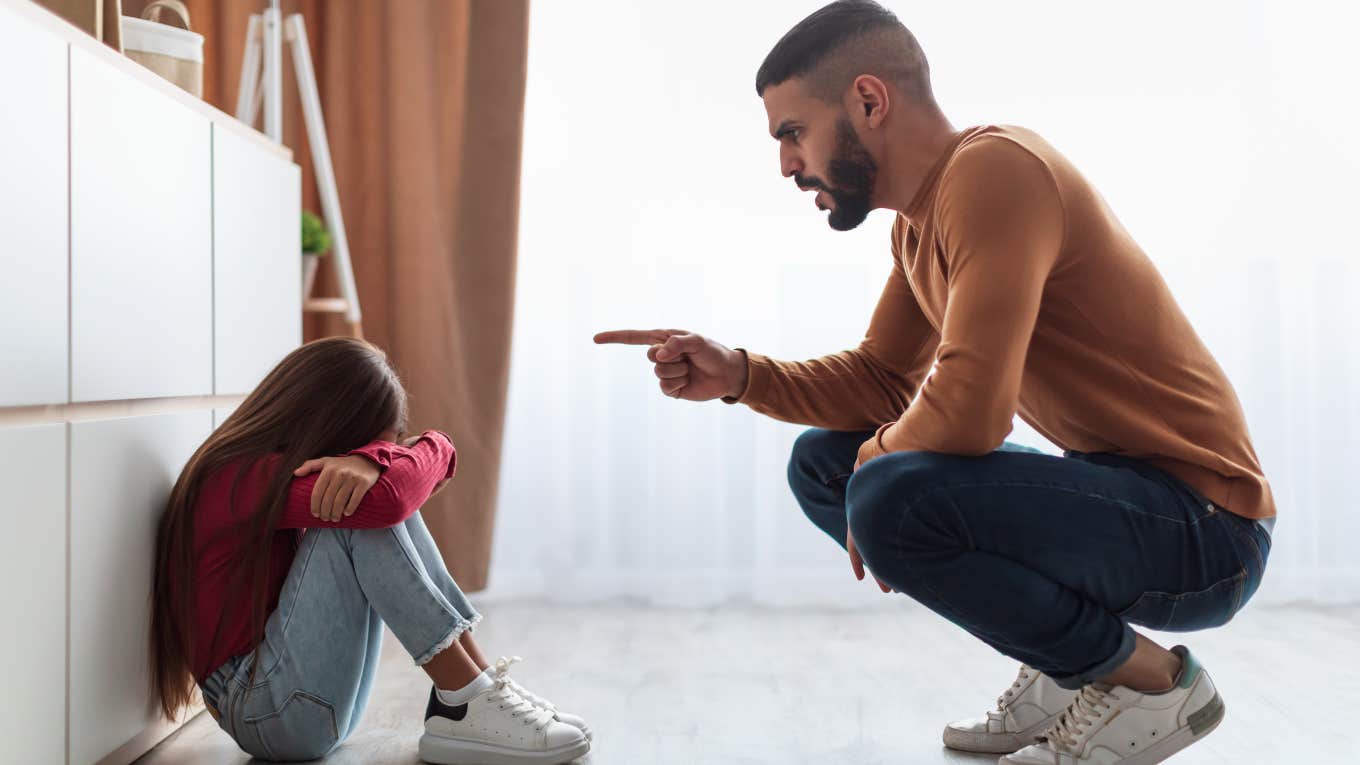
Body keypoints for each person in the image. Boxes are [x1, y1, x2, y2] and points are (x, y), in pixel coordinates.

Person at [595, 2, 1274, 763]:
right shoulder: (918, 224)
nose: (787, 164)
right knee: (824, 464)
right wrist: (741, 373)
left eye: (793, 133)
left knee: (882, 491)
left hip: (1208, 529)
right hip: (1119, 499)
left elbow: (974, 413)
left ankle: (1156, 683)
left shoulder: (996, 173)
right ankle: (1072, 662)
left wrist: (875, 470)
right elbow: (882, 379)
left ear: (868, 101)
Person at [150, 337, 591, 764]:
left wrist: (374, 458)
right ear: (329, 431)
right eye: (369, 447)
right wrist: (392, 459)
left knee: (366, 505)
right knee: (360, 514)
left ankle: (476, 691)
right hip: (265, 712)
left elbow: (412, 478)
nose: (382, 457)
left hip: (292, 703)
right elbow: (391, 499)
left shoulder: (261, 466)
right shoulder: (238, 478)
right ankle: (464, 701)